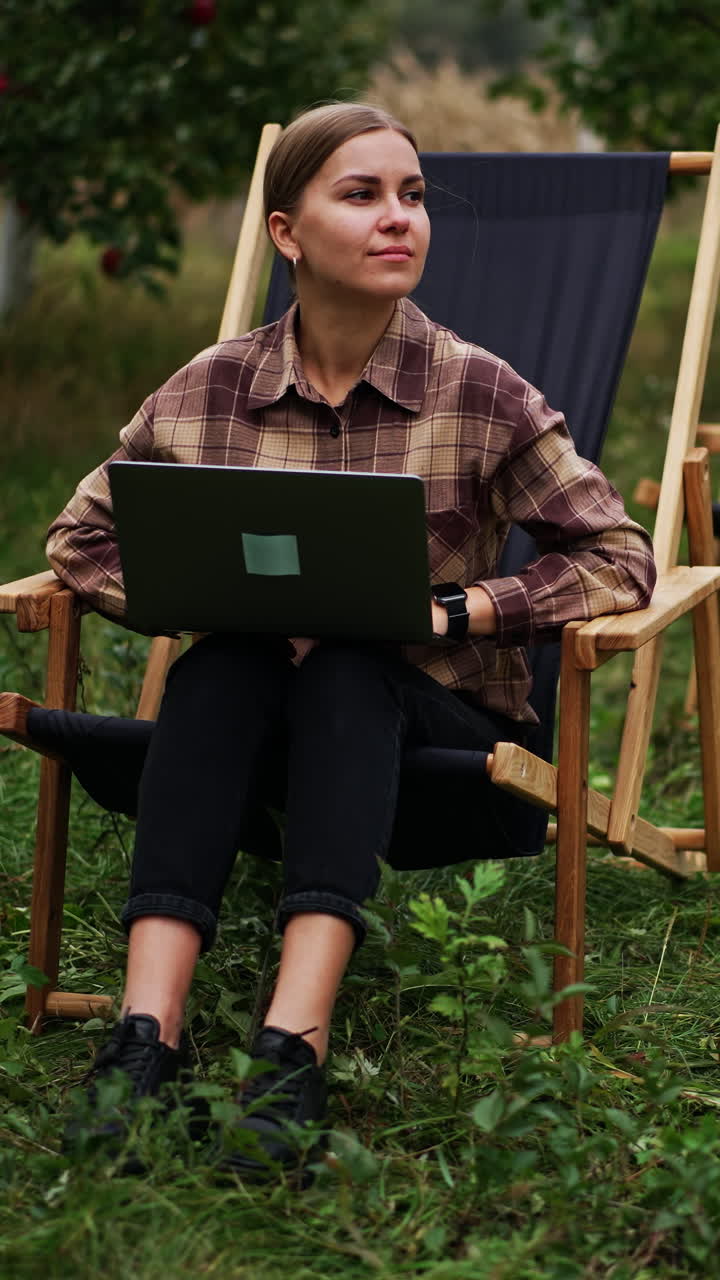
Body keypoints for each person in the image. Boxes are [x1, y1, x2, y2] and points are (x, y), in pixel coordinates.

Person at [0, 102, 656, 1180]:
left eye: (411, 195)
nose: (400, 218)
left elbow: (617, 555)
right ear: (287, 234)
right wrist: (183, 594)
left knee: (353, 657)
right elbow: (81, 536)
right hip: (249, 721)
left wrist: (463, 610)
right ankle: (143, 1039)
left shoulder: (478, 390)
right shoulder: (215, 389)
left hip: (442, 749)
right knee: (226, 658)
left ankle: (288, 1049)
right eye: (362, 195)